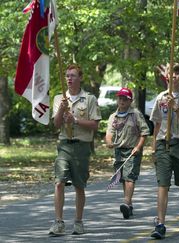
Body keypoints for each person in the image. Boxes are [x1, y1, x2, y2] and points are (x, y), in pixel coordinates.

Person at [49, 64, 101, 235]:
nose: (69, 78)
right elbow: (56, 125)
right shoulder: (59, 98)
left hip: (81, 146)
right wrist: (61, 111)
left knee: (79, 185)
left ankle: (78, 222)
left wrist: (76, 120)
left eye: (73, 75)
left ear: (80, 78)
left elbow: (94, 125)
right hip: (64, 144)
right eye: (67, 75)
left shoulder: (89, 99)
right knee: (59, 182)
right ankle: (58, 222)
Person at [149, 63, 179, 239]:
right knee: (163, 183)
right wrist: (154, 148)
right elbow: (156, 124)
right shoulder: (161, 97)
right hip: (164, 144)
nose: (174, 76)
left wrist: (176, 108)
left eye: (177, 73)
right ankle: (160, 223)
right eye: (171, 73)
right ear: (167, 77)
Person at [105, 87, 150, 219]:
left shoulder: (136, 114)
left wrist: (139, 146)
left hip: (132, 150)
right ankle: (128, 204)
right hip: (119, 151)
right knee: (123, 178)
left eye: (125, 99)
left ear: (130, 101)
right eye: (120, 98)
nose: (122, 101)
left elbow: (144, 132)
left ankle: (125, 202)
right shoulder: (113, 116)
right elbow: (109, 133)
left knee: (130, 176)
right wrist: (109, 142)